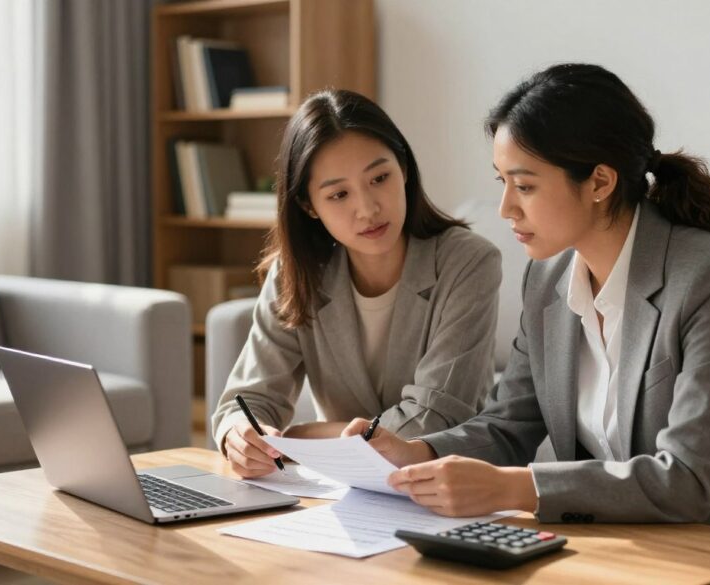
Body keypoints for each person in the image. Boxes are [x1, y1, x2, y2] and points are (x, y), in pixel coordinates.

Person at [342, 64, 710, 584]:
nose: (506, 208)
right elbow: (508, 424)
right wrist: (417, 452)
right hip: (632, 557)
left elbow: (690, 479)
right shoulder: (546, 279)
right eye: (502, 183)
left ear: (600, 181)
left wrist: (516, 488)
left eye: (525, 186)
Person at [212, 89, 502, 480]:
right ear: (309, 206)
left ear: (404, 169)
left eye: (379, 178)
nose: (367, 208)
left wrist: (303, 436)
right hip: (339, 488)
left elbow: (437, 417)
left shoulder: (467, 262)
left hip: (447, 484)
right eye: (339, 194)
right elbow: (246, 401)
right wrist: (240, 436)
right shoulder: (295, 272)